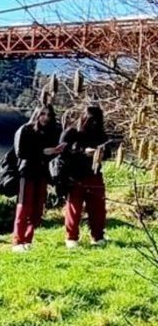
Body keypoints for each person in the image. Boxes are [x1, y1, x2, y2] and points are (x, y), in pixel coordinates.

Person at [12, 105, 65, 252]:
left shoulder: (51, 131)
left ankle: (28, 240)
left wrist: (55, 151)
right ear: (37, 114)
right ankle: (18, 242)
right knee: (24, 207)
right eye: (43, 114)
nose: (46, 118)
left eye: (49, 115)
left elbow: (49, 153)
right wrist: (43, 151)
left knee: (37, 210)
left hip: (42, 173)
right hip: (27, 172)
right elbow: (20, 152)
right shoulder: (25, 130)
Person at [59, 105, 110, 248]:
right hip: (75, 176)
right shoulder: (71, 132)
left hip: (94, 175)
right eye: (92, 120)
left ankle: (98, 236)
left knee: (98, 208)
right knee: (74, 208)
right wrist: (82, 152)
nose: (94, 124)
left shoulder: (100, 134)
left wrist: (99, 154)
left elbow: (108, 153)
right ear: (85, 118)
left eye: (97, 121)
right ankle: (71, 238)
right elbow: (61, 152)